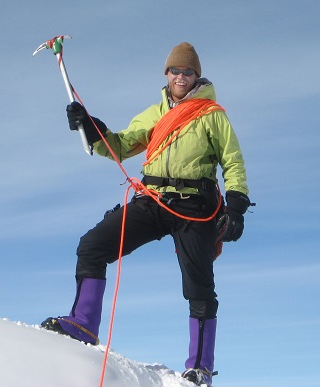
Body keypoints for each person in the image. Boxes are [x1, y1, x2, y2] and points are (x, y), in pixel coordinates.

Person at [41, 42, 251, 386]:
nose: (181, 76)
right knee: (92, 246)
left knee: (199, 288)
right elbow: (120, 145)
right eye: (175, 71)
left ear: (197, 75)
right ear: (166, 75)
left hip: (195, 206)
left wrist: (237, 206)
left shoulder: (212, 114)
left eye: (188, 71)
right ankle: (82, 324)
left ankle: (199, 368)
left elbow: (233, 161)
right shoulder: (154, 113)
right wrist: (91, 128)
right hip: (153, 199)